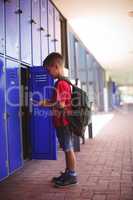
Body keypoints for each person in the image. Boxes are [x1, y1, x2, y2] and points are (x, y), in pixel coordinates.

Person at [38, 53, 78, 187]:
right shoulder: (63, 82)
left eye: (49, 69)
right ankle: (68, 173)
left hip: (64, 122)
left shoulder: (60, 83)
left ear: (56, 67)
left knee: (68, 148)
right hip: (63, 122)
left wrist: (46, 104)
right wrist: (48, 101)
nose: (48, 73)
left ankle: (72, 176)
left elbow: (60, 105)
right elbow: (58, 101)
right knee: (67, 147)